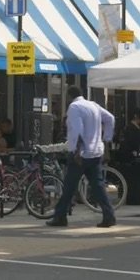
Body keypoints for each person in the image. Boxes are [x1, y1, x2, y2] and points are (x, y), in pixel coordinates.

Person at [46, 87, 116, 229]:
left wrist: (77, 150)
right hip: (96, 152)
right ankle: (109, 215)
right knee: (98, 186)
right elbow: (110, 118)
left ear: (69, 96)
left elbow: (76, 129)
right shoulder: (94, 105)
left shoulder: (74, 107)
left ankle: (60, 216)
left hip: (81, 153)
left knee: (69, 186)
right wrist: (106, 138)